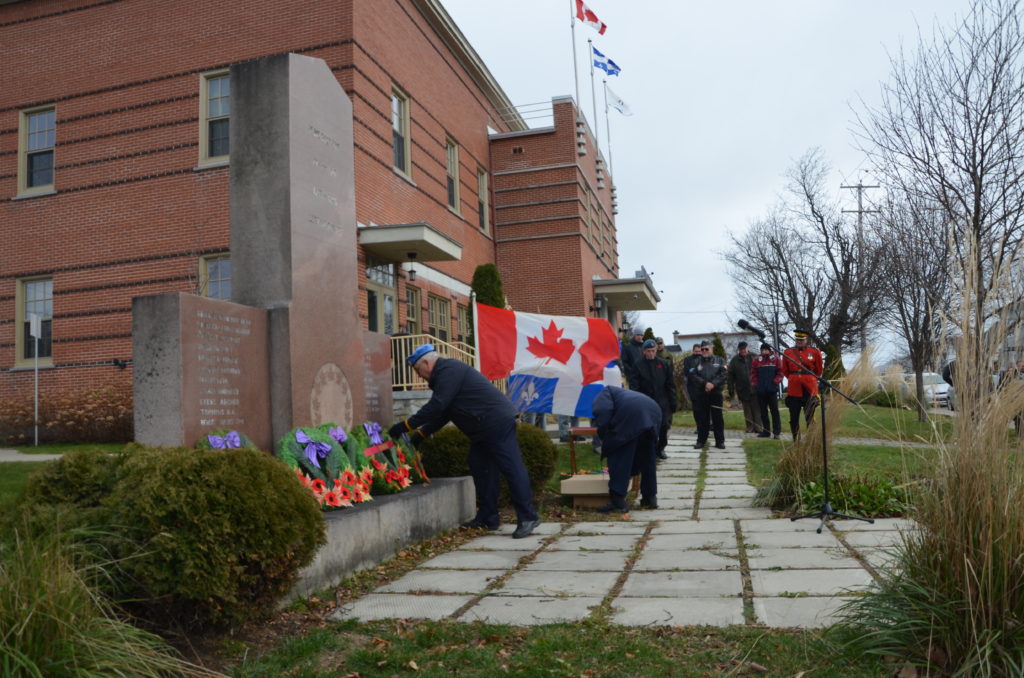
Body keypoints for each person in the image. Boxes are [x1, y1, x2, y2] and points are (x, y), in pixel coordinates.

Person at [388, 344, 540, 539]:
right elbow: (445, 412)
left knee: (512, 468)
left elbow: (438, 406)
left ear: (426, 362)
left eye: (418, 370)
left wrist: (406, 425)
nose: (419, 376)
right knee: (480, 467)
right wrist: (421, 435)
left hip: (495, 423)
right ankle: (488, 516)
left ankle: (528, 517)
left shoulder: (449, 370)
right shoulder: (444, 374)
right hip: (482, 428)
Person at [590, 386, 662, 512]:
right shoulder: (622, 393)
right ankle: (650, 498)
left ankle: (618, 501)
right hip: (653, 411)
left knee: (619, 457)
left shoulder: (603, 394)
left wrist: (605, 436)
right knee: (647, 460)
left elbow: (602, 412)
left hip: (632, 414)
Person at [631, 338, 678, 460]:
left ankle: (660, 448)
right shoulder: (638, 365)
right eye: (648, 351)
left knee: (663, 427)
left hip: (662, 401)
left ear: (656, 350)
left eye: (653, 350)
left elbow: (670, 384)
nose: (651, 353)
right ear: (644, 352)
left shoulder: (663, 364)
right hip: (646, 401)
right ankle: (650, 450)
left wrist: (673, 401)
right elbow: (634, 386)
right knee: (648, 428)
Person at [781, 328, 824, 440]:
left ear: (807, 340)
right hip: (794, 389)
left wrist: (808, 378)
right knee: (794, 417)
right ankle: (796, 440)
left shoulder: (815, 352)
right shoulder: (788, 352)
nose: (799, 341)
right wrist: (794, 378)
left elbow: (819, 370)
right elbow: (785, 370)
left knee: (810, 417)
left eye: (802, 340)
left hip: (809, 389)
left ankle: (811, 440)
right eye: (797, 339)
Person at [688, 340, 728, 449]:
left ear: (711, 349)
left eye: (706, 349)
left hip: (716, 393)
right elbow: (693, 375)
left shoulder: (720, 360)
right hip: (702, 393)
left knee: (717, 418)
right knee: (702, 418)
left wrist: (713, 384)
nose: (704, 351)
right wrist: (705, 383)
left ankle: (720, 442)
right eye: (702, 349)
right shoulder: (696, 361)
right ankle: (701, 441)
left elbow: (724, 374)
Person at [727, 341, 762, 434]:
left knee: (757, 409)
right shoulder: (734, 360)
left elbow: (761, 371)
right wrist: (731, 389)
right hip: (742, 389)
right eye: (741, 349)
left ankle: (758, 427)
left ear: (747, 348)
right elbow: (730, 376)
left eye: (744, 349)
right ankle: (750, 427)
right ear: (738, 350)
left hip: (755, 387)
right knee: (747, 409)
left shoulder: (755, 357)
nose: (743, 351)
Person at [750, 342, 783, 439]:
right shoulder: (757, 360)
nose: (764, 352)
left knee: (774, 411)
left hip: (772, 390)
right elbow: (753, 373)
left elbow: (780, 372)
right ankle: (766, 431)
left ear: (769, 350)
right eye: (762, 350)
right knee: (763, 412)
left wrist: (775, 382)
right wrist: (755, 384)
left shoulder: (776, 359)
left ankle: (776, 432)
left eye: (765, 350)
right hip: (761, 390)